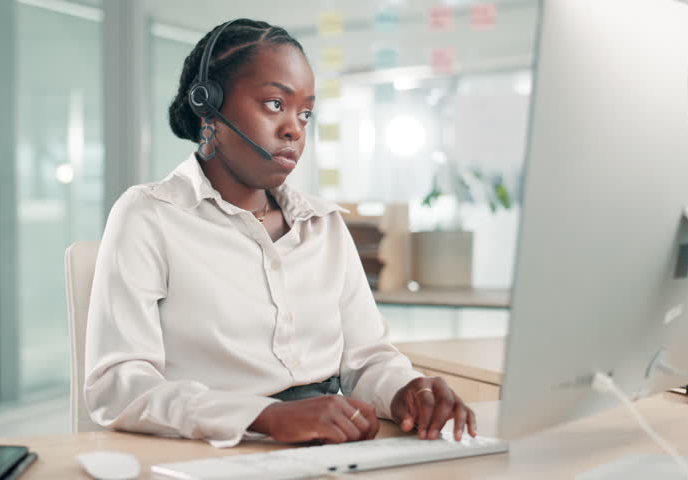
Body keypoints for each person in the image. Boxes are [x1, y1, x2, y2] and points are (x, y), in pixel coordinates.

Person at [84, 18, 477, 448]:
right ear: (208, 105)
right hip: (217, 449)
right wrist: (266, 416)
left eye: (305, 112)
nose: (294, 128)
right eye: (275, 104)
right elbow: (117, 383)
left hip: (331, 443)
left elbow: (368, 360)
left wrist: (407, 391)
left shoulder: (324, 225)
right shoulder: (149, 215)